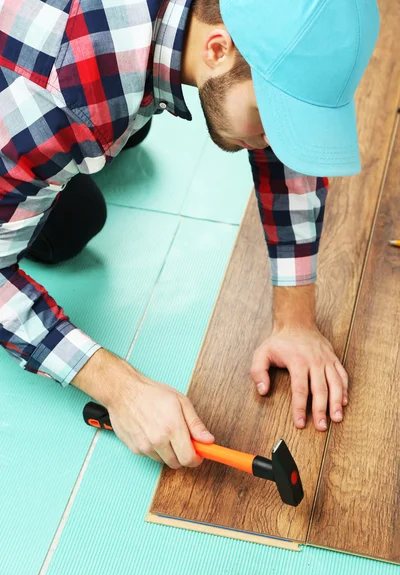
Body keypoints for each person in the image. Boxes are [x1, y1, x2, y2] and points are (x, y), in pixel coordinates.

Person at [0, 0, 379, 469]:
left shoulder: (232, 24)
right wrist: (122, 390)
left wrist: (295, 320)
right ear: (218, 48)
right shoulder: (61, 97)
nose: (276, 143)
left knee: (125, 132)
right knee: (76, 220)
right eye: (270, 117)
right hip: (34, 84)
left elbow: (282, 132)